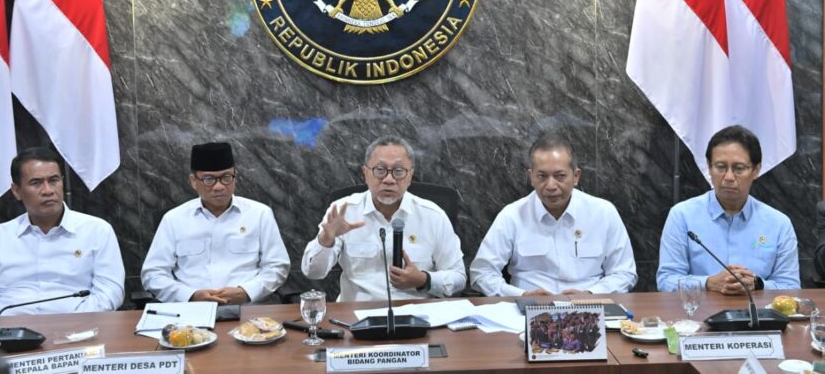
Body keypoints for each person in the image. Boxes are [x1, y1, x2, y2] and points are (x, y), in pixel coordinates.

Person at [301, 136, 466, 301]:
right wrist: (326, 239)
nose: (389, 179)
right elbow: (313, 272)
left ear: (410, 176)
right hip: (356, 317)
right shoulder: (344, 211)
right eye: (380, 170)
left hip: (417, 316)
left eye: (399, 171)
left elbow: (459, 277)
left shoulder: (433, 216)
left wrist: (423, 280)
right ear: (365, 173)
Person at [470, 133, 637, 296]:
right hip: (528, 312)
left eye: (560, 176)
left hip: (590, 308)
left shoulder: (603, 213)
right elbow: (482, 273)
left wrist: (591, 294)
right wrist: (521, 295)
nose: (551, 185)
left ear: (576, 176)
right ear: (531, 177)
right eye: (542, 176)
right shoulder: (512, 216)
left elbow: (624, 273)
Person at [0, 147, 125, 316]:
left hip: (78, 331)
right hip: (8, 335)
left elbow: (110, 291)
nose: (48, 190)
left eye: (54, 180)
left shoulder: (97, 231)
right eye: (36, 183)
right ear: (17, 191)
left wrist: (77, 322)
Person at [141, 142, 290, 304]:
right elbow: (153, 274)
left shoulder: (260, 214)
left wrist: (246, 292)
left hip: (248, 312)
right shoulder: (174, 219)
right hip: (190, 314)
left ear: (235, 177)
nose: (219, 187)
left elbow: (277, 266)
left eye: (226, 177)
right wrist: (190, 295)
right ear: (193, 181)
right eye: (209, 179)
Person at [657, 125, 800, 294]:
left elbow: (791, 287)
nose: (729, 177)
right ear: (709, 168)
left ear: (756, 170)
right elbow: (666, 281)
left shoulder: (778, 224)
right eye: (720, 167)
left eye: (739, 168)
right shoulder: (682, 216)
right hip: (699, 316)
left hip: (758, 316)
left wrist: (757, 284)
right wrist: (709, 283)